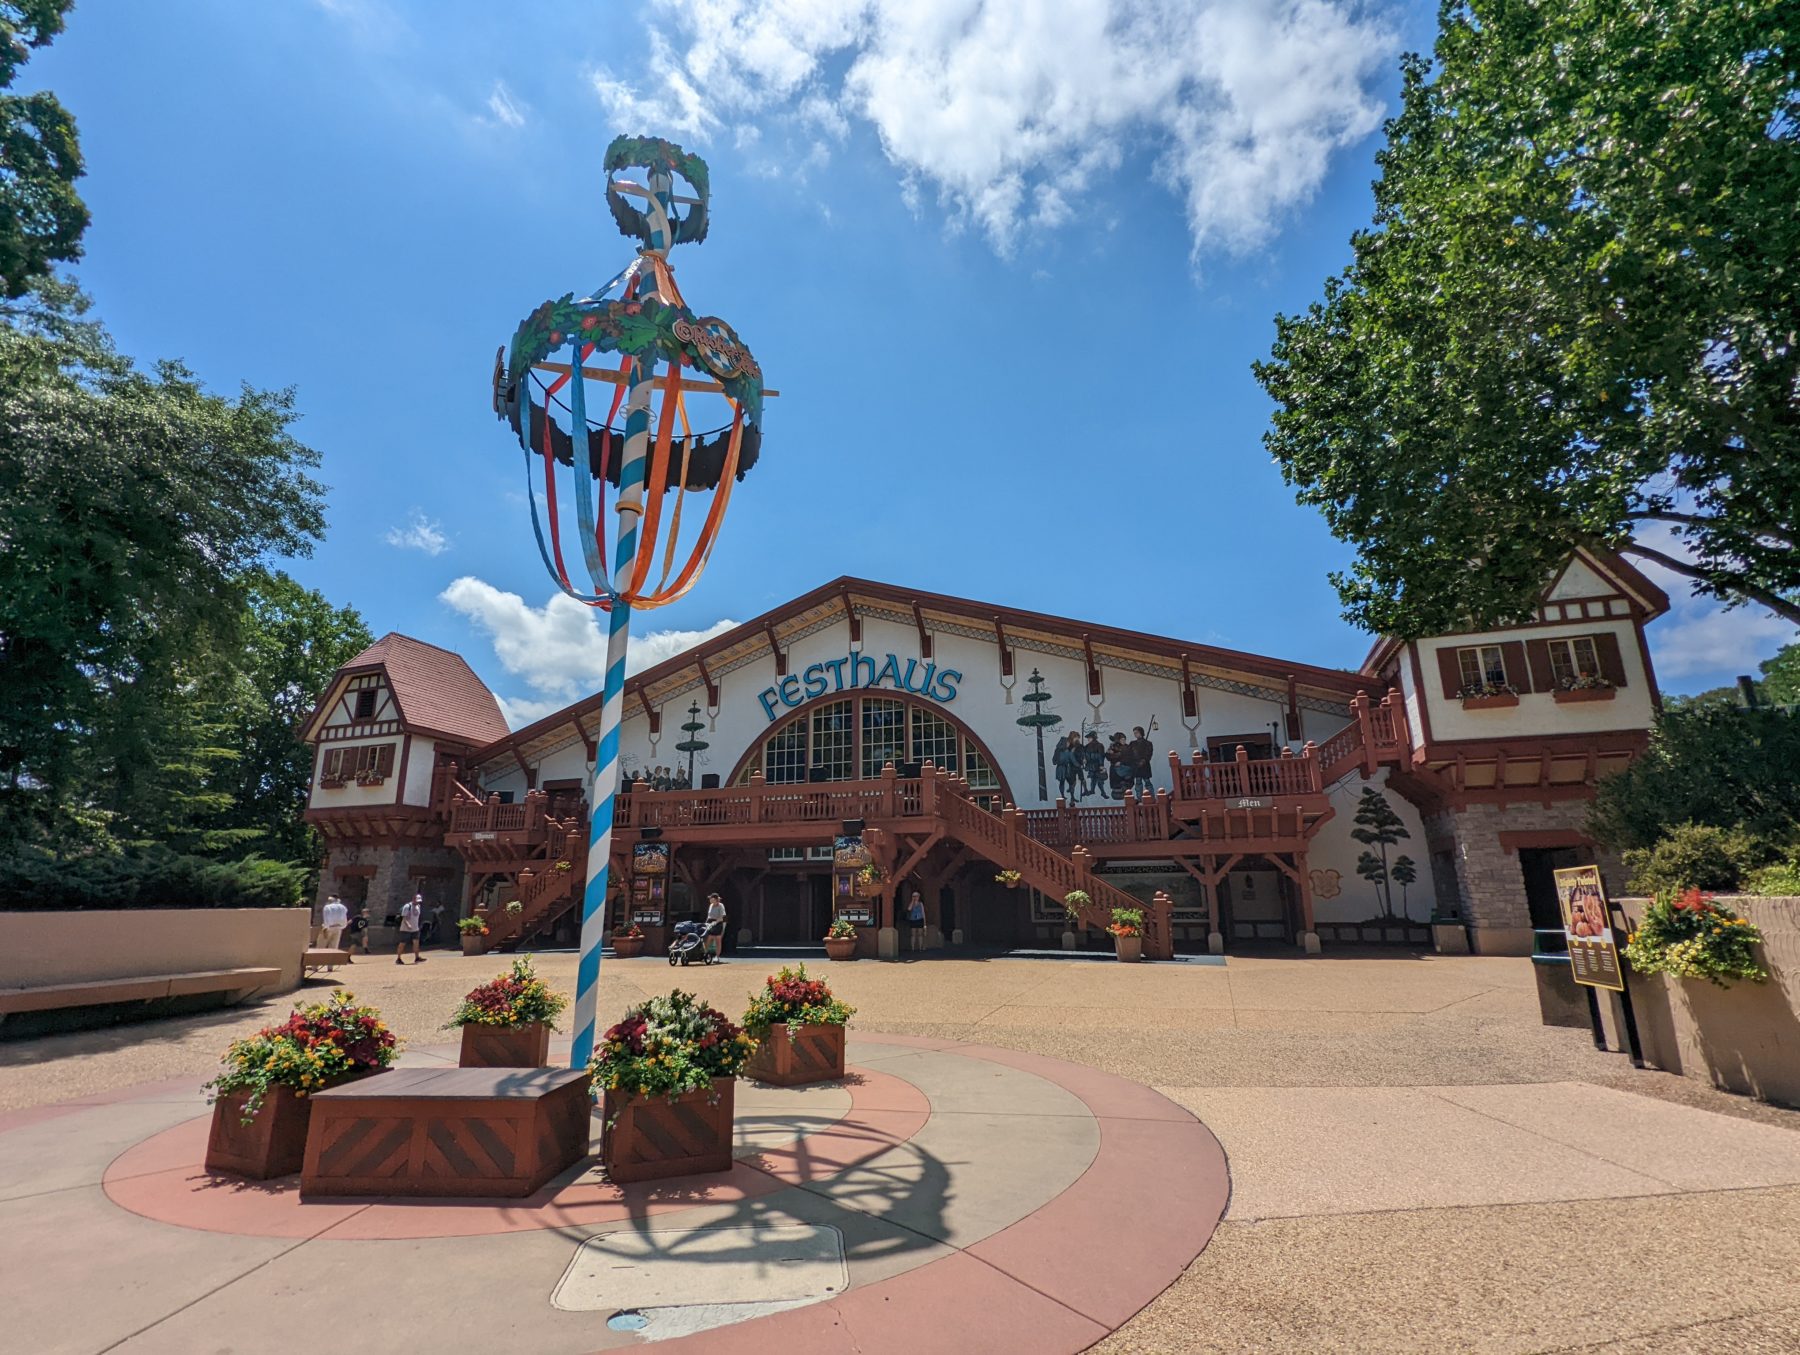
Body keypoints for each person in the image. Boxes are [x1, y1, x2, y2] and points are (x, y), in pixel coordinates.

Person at [396, 893, 426, 965]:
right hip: (406, 929)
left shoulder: (418, 906)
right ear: (413, 899)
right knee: (402, 943)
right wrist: (408, 924)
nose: (418, 902)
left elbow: (417, 917)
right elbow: (404, 917)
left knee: (416, 943)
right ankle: (398, 958)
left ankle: (417, 957)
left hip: (415, 928)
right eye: (417, 900)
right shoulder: (407, 906)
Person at [1128, 726, 1155, 797]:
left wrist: (1143, 761)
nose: (1135, 734)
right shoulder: (1132, 744)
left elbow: (1149, 754)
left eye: (1136, 732)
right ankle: (1139, 798)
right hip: (1136, 765)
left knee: (1147, 781)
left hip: (1145, 766)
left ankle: (1152, 797)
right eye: (1134, 733)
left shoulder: (1148, 743)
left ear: (1141, 733)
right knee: (1138, 782)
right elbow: (1129, 754)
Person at [1082, 732, 1107, 799]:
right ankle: (1092, 790)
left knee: (1100, 780)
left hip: (1097, 765)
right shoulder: (1086, 746)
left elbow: (1101, 756)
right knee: (1093, 779)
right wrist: (1084, 759)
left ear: (1093, 738)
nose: (1088, 739)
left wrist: (1101, 765)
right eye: (1088, 738)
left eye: (1089, 738)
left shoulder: (1099, 745)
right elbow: (1084, 754)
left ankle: (1103, 792)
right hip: (1090, 765)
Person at [704, 891, 728, 961]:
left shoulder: (721, 906)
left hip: (718, 923)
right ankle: (706, 955)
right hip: (710, 923)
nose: (710, 900)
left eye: (711, 898)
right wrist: (706, 923)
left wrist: (716, 922)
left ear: (715, 899)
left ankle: (717, 957)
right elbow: (709, 916)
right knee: (708, 939)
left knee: (718, 940)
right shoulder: (710, 905)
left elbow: (722, 917)